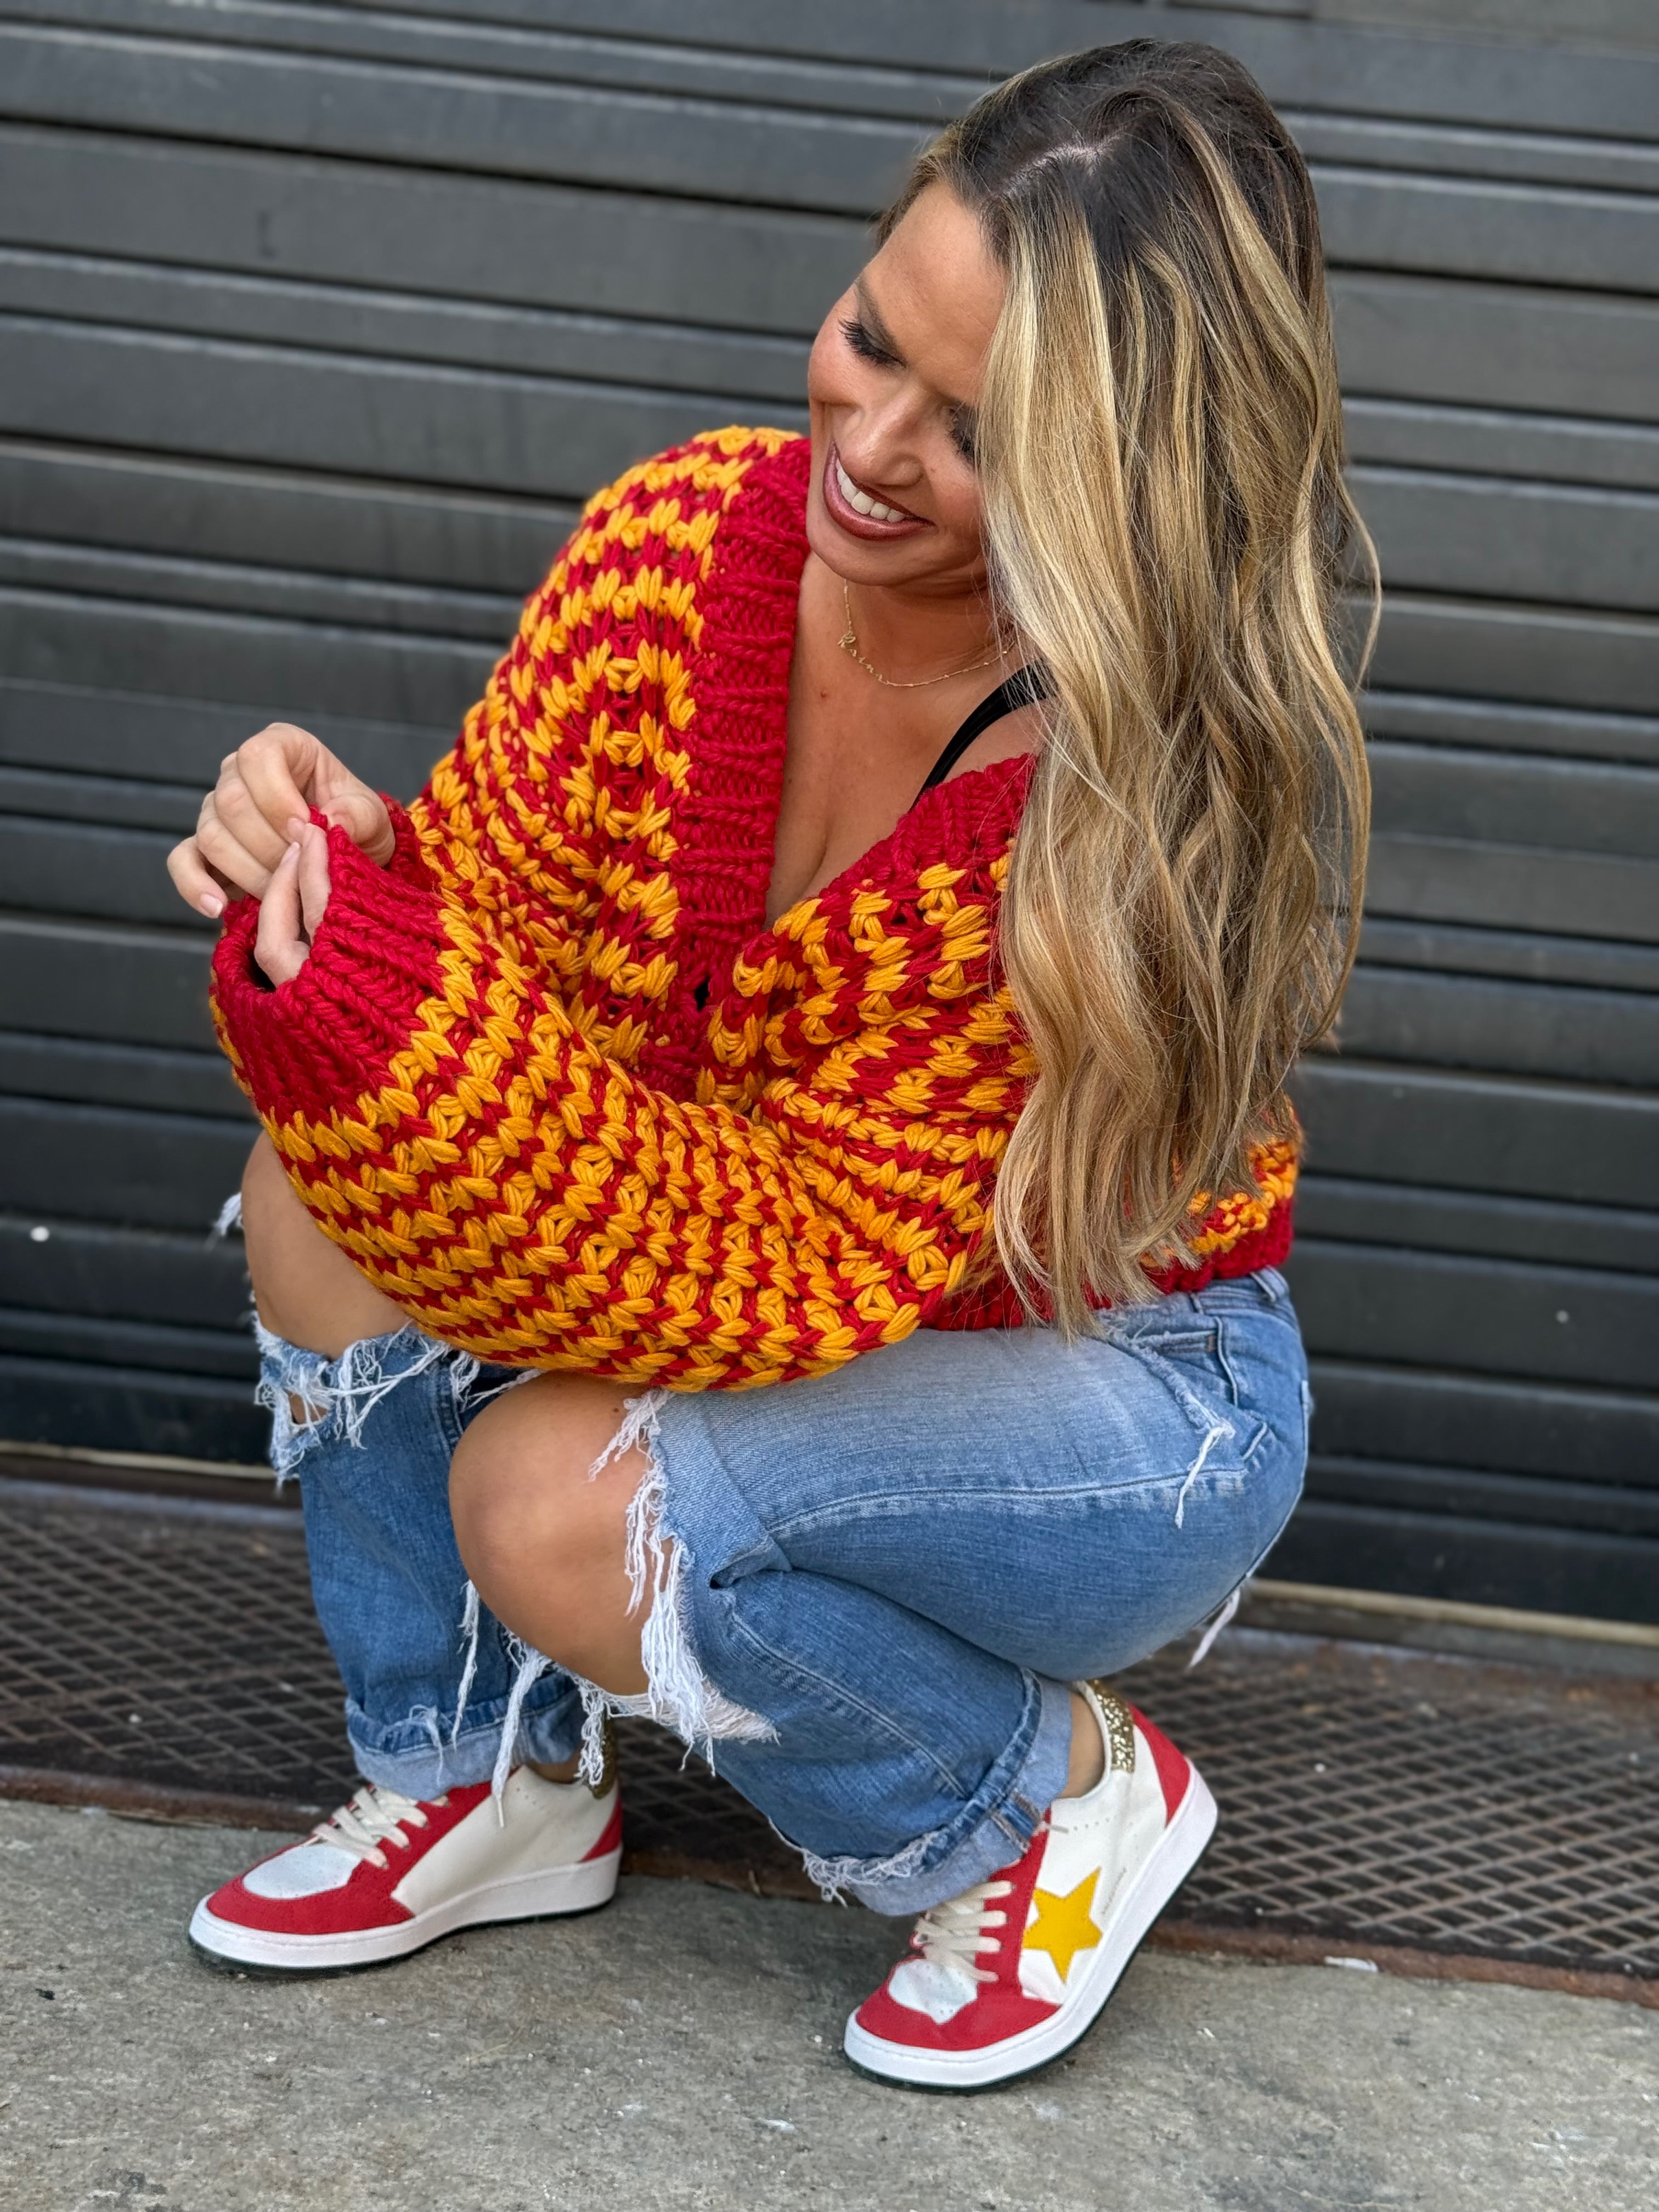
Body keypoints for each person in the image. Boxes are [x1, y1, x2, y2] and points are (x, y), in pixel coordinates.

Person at [165, 38, 1369, 2090]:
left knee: (557, 1503)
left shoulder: (1097, 804)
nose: (872, 444)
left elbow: (770, 1261)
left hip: (1115, 1388)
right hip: (760, 1278)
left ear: (1115, 473)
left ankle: (1046, 1803)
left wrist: (384, 999)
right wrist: (353, 879)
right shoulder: (677, 546)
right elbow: (497, 976)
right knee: (316, 1192)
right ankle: (486, 1777)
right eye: (869, 337)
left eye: (976, 433)